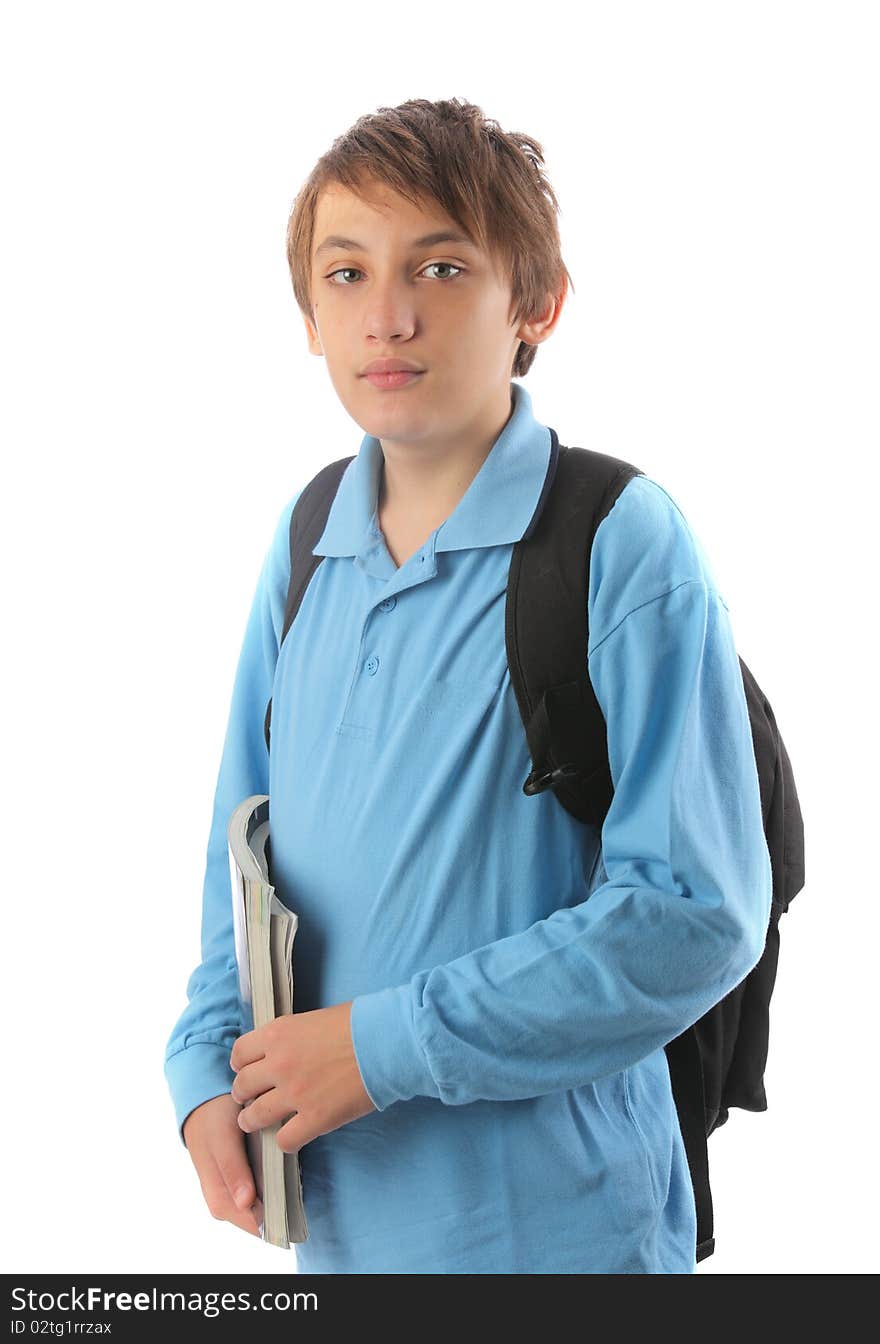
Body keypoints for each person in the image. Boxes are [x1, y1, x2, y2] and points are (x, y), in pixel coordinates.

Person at [164, 97, 773, 1273]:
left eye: (440, 266)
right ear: (307, 315)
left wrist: (381, 1049)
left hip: (561, 1233)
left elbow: (694, 915)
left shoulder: (617, 541)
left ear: (533, 305)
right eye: (345, 273)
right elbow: (241, 855)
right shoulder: (306, 545)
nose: (386, 315)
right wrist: (203, 1068)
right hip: (342, 1232)